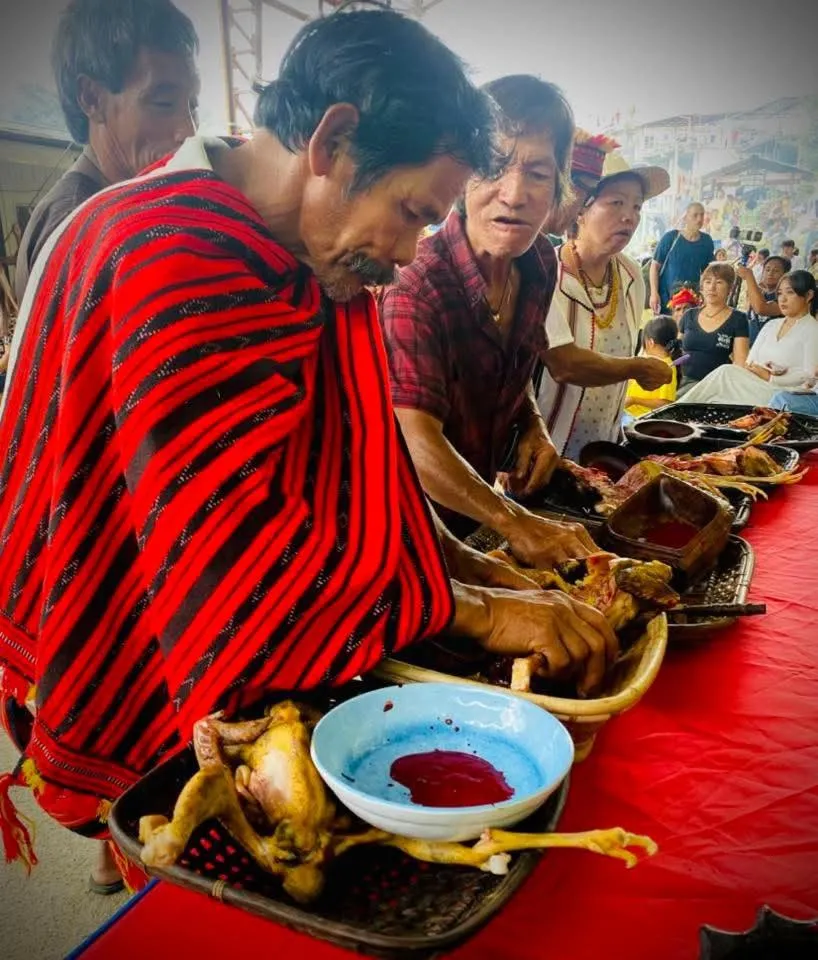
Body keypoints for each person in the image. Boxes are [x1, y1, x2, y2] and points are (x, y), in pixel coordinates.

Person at [0, 12, 620, 887]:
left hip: (270, 658)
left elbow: (360, 482)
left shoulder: (316, 259)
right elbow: (217, 544)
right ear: (332, 140)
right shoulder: (165, 252)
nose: (407, 256)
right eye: (409, 213)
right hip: (151, 635)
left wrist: (480, 573)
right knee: (178, 856)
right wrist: (474, 611)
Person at [381, 78, 666, 549]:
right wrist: (515, 523)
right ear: (461, 176)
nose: (514, 195)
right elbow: (416, 439)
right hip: (408, 530)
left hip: (475, 516)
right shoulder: (417, 284)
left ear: (560, 188)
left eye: (537, 173)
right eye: (494, 167)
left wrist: (531, 425)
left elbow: (519, 364)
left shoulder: (537, 264)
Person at [14, 0, 200, 303]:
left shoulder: (122, 206)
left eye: (192, 106)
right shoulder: (77, 228)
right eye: (164, 103)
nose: (188, 132)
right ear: (91, 99)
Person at [537, 153, 671, 459]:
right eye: (616, 203)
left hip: (607, 450)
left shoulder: (631, 274)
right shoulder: (546, 274)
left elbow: (624, 349)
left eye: (637, 206)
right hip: (547, 455)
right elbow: (565, 364)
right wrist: (637, 368)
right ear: (580, 210)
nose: (629, 216)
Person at [682, 271, 818, 405]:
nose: (782, 299)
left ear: (808, 295)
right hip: (755, 383)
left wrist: (771, 377)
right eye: (780, 293)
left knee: (725, 373)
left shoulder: (813, 329)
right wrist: (761, 369)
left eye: (790, 292)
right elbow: (750, 361)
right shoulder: (771, 325)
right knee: (718, 393)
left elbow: (809, 376)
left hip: (782, 393)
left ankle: (679, 408)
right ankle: (681, 408)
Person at [677, 262, 749, 391]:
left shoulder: (738, 319)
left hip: (717, 386)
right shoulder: (689, 315)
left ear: (730, 289)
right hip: (683, 382)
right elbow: (675, 353)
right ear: (702, 286)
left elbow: (740, 364)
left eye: (719, 282)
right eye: (708, 282)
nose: (712, 287)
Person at [649, 202, 715, 315]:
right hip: (667, 301)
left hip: (691, 303)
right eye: (695, 215)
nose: (699, 219)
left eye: (702, 215)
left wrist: (705, 296)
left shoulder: (707, 241)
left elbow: (707, 272)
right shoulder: (671, 237)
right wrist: (654, 293)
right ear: (686, 217)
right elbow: (654, 266)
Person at [624, 315, 682, 419]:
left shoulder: (666, 367)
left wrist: (634, 400)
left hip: (642, 418)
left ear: (650, 342)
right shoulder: (651, 361)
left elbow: (665, 404)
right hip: (629, 413)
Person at [738, 255, 790, 345]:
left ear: (784, 275)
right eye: (767, 269)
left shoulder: (785, 298)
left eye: (776, 270)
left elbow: (761, 309)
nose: (770, 273)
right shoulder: (759, 294)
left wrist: (749, 276)